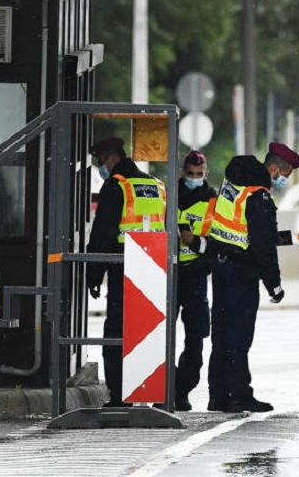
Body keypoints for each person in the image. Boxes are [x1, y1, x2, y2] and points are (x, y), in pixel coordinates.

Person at [206, 141, 299, 413]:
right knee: (239, 337)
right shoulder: (258, 196)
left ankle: (218, 395)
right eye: (284, 174)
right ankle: (239, 394)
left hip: (221, 267)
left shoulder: (232, 183)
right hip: (241, 273)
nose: (283, 179)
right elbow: (262, 246)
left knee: (221, 335)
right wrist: (274, 284)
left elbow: (229, 226)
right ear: (273, 168)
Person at [86, 137, 167, 408]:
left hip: (124, 267)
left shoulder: (116, 186)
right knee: (148, 331)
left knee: (117, 333)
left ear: (110, 158)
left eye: (100, 161)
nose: (101, 167)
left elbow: (103, 233)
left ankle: (120, 396)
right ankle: (150, 391)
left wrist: (94, 274)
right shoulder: (155, 185)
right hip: (153, 268)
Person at [167, 149, 217, 412]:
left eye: (199, 174)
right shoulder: (169, 197)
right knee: (162, 334)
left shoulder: (212, 201)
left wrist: (195, 242)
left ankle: (183, 388)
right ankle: (166, 386)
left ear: (205, 174)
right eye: (190, 174)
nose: (195, 178)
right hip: (169, 273)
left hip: (196, 273)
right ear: (182, 172)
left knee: (196, 335)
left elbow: (218, 243)